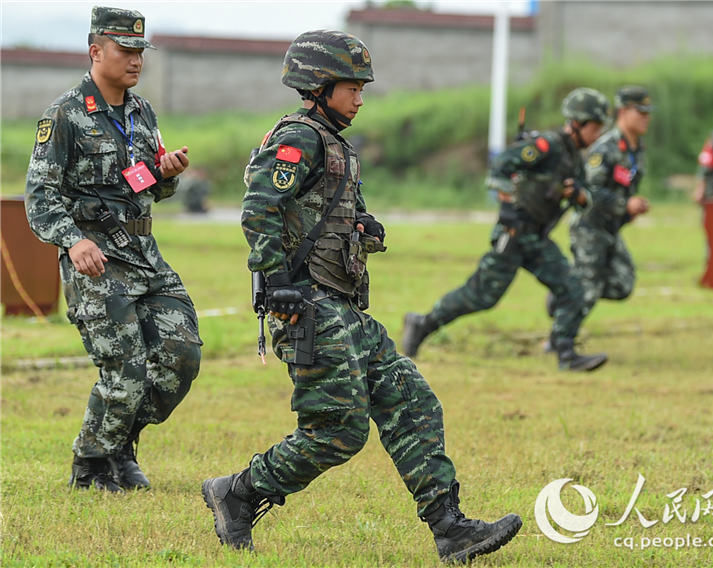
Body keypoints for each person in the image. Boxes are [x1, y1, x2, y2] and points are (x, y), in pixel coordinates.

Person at [201, 30, 521, 563]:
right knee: (337, 432)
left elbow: (318, 213)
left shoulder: (336, 145)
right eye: (351, 86)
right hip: (307, 305)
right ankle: (237, 493)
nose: (360, 96)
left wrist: (362, 228)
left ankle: (451, 528)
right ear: (318, 84)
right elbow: (259, 207)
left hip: (343, 308)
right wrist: (276, 280)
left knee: (411, 398)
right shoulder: (297, 137)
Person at [24, 6, 202, 493]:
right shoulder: (64, 115)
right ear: (95, 51)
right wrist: (73, 239)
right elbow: (40, 196)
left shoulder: (143, 113)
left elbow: (141, 188)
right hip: (97, 260)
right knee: (125, 370)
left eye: (140, 51)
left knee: (180, 358)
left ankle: (119, 442)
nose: (136, 60)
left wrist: (164, 174)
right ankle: (92, 465)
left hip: (144, 252)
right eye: (125, 50)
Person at [400, 89, 611, 372]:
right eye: (594, 127)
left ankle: (566, 354)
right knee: (482, 296)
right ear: (576, 122)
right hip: (514, 234)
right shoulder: (547, 145)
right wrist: (508, 203)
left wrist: (579, 195)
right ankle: (422, 324)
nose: (597, 134)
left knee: (572, 288)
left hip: (537, 238)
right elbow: (500, 166)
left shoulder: (575, 159)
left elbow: (586, 197)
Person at [566, 86, 652, 335]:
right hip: (590, 226)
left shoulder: (636, 149)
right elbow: (589, 190)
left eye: (648, 113)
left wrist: (629, 211)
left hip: (611, 227)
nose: (646, 118)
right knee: (589, 289)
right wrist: (624, 205)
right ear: (623, 112)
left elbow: (625, 185)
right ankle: (560, 339)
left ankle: (567, 288)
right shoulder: (606, 148)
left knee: (622, 284)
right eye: (640, 112)